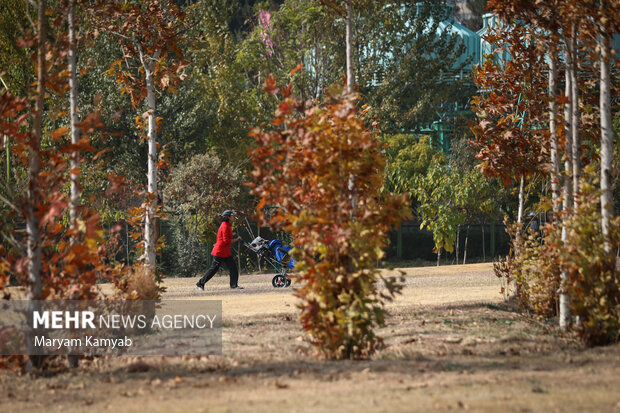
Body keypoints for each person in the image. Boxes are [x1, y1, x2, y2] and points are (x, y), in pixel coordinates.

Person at [196, 210, 244, 290]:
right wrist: (236, 239)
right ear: (228, 217)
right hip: (220, 252)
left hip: (225, 252)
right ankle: (200, 284)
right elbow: (226, 240)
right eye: (232, 215)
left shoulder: (227, 225)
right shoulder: (225, 226)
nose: (234, 217)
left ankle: (234, 285)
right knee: (213, 269)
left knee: (233, 268)